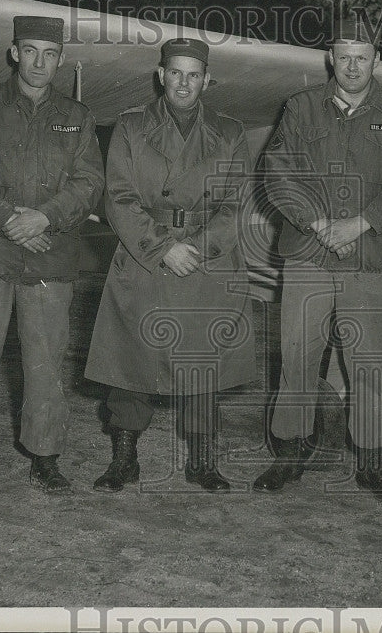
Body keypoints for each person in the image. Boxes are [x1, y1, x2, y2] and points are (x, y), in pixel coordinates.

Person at [253, 18, 382, 503]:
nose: (353, 66)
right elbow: (277, 170)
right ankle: (289, 452)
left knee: (369, 362)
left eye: (363, 56)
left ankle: (371, 463)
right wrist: (315, 223)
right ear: (330, 57)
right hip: (309, 254)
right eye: (343, 56)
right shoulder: (301, 107)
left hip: (371, 256)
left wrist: (361, 222)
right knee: (297, 356)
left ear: (377, 60)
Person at [0, 15, 105, 500]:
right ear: (13, 52)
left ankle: (45, 459)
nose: (39, 62)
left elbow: (89, 183)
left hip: (49, 258)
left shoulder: (78, 115)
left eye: (49, 53)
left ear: (61, 60)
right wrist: (12, 218)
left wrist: (45, 218)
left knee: (47, 363)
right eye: (29, 50)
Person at [84, 37, 253, 494]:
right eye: (175, 72)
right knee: (131, 359)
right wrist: (163, 249)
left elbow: (236, 202)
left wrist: (196, 247)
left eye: (193, 74)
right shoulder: (131, 126)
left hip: (206, 258)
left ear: (206, 81)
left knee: (203, 359)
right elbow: (117, 196)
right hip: (145, 253)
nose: (183, 82)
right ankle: (124, 459)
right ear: (161, 76)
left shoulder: (230, 131)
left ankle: (202, 462)